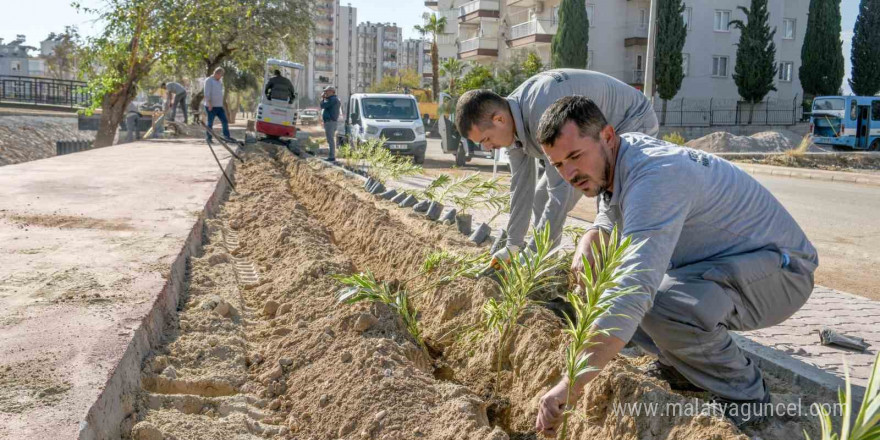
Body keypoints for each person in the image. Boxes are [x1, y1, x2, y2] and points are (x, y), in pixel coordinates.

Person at [532, 96, 818, 435]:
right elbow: (612, 194)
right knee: (617, 285)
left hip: (782, 272)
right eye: (559, 164)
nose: (569, 174)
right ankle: (685, 369)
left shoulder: (656, 178)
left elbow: (633, 293)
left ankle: (748, 399)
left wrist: (572, 383)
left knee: (655, 303)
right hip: (725, 264)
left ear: (607, 136)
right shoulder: (624, 151)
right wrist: (596, 231)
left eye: (575, 157)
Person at [454, 69, 658, 262]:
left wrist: (533, 253)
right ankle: (544, 275)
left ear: (499, 119)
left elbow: (562, 191)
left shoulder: (542, 114)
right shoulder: (510, 119)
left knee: (608, 205)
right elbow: (521, 187)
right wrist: (513, 246)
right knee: (541, 197)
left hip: (631, 119)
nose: (488, 148)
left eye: (486, 139)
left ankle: (614, 279)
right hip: (590, 134)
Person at [203, 67, 231, 142]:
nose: (221, 77)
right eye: (221, 75)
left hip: (219, 106)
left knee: (225, 121)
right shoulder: (209, 80)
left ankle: (226, 137)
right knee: (210, 122)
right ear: (216, 73)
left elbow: (219, 93)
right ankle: (209, 138)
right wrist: (209, 104)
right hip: (211, 106)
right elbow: (206, 93)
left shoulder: (219, 81)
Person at [320, 86, 341, 161]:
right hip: (331, 122)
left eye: (327, 91)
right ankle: (331, 156)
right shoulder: (333, 99)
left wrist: (322, 98)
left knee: (330, 140)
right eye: (325, 91)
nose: (325, 93)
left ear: (332, 92)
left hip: (330, 122)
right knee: (330, 139)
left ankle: (332, 157)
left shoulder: (333, 100)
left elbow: (322, 105)